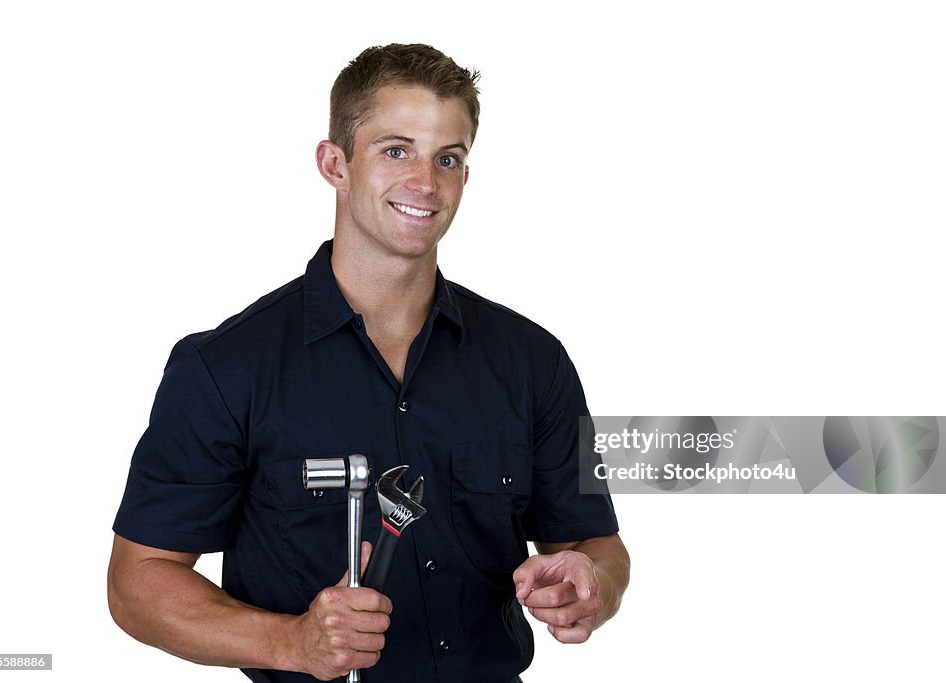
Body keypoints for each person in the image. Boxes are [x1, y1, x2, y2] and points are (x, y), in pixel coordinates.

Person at [108, 43, 629, 683]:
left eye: (448, 157)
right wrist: (289, 642)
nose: (425, 182)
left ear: (466, 174)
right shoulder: (225, 369)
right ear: (335, 164)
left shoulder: (534, 361)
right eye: (395, 150)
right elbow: (138, 583)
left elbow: (592, 544)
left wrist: (591, 583)